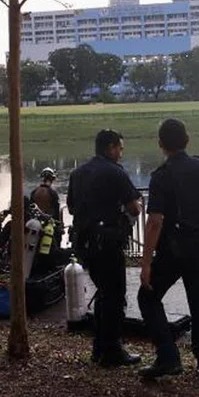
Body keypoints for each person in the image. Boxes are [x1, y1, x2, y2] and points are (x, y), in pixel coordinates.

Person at [138, 118, 199, 382]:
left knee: (148, 297)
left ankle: (168, 357)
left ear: (161, 144)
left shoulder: (161, 176)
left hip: (173, 250)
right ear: (187, 140)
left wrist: (146, 263)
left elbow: (154, 222)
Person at [67, 129, 143, 367]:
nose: (121, 153)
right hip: (108, 243)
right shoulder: (115, 172)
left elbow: (70, 207)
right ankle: (111, 351)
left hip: (84, 244)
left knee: (103, 293)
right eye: (120, 148)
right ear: (110, 148)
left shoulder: (78, 173)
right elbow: (135, 208)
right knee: (115, 296)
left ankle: (100, 348)